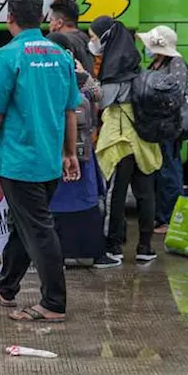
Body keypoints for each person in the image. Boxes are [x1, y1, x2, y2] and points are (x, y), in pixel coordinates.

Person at [0, 0, 79, 323]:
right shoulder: (60, 54)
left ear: (10, 17)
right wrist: (69, 153)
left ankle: (53, 302)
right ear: (43, 16)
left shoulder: (8, 56)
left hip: (20, 163)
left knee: (38, 229)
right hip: (49, 161)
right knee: (25, 225)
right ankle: (6, 288)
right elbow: (70, 112)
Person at [92, 16, 162, 264]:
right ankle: (145, 246)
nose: (92, 42)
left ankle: (113, 247)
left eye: (93, 37)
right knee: (145, 194)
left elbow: (103, 100)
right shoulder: (137, 67)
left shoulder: (113, 68)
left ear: (105, 38)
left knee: (116, 195)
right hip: (144, 140)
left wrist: (87, 81)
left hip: (120, 141)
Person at [50, 59, 119, 268]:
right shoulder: (79, 86)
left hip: (56, 157)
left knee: (55, 207)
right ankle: (95, 254)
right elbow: (98, 95)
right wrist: (84, 74)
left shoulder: (48, 83)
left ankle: (57, 257)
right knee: (87, 205)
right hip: (80, 157)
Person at [138, 26, 188, 234]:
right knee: (161, 171)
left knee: (170, 171)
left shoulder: (176, 62)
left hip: (169, 126)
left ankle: (170, 219)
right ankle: (162, 217)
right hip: (158, 126)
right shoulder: (158, 62)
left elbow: (175, 93)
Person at [47, 0, 94, 74]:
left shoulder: (62, 43)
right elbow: (62, 13)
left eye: (51, 20)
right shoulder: (84, 38)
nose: (49, 25)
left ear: (59, 23)